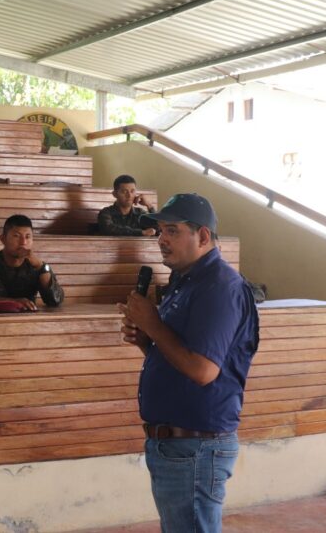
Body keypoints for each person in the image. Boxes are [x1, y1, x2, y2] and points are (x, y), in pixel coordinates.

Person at [117, 193, 259, 533]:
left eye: (172, 231)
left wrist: (153, 324)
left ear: (203, 236)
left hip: (195, 448)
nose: (161, 239)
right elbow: (182, 357)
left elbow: (203, 370)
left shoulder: (220, 287)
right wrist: (148, 342)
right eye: (160, 231)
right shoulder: (188, 283)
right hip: (178, 446)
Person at [0, 214, 63, 310]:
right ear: (3, 239)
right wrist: (12, 302)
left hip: (28, 320)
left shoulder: (36, 266)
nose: (23, 242)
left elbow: (55, 300)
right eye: (16, 236)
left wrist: (42, 267)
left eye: (27, 237)